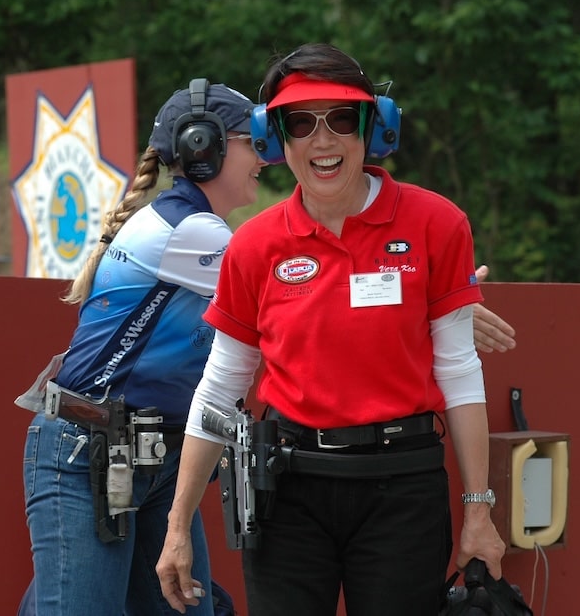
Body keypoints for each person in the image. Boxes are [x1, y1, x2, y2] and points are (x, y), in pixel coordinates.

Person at [156, 43, 507, 616]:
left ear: (373, 127)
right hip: (287, 492)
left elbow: (460, 372)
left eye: (342, 119)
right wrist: (176, 530)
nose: (324, 141)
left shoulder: (437, 224)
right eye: (301, 122)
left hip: (403, 488)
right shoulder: (252, 245)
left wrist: (478, 510)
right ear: (277, 139)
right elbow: (218, 391)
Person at [17, 79, 265, 615]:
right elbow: (297, 294)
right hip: (87, 451)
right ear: (206, 147)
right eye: (254, 140)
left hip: (149, 454)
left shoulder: (193, 225)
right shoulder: (192, 231)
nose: (265, 157)